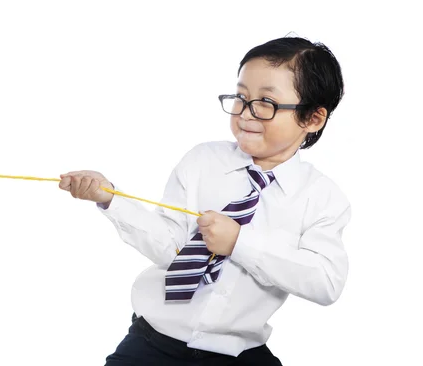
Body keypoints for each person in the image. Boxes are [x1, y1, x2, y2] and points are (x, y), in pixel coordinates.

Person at [59, 37, 351, 365]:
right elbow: (168, 246)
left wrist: (240, 243)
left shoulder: (322, 198)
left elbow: (326, 282)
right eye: (241, 97)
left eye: (266, 102)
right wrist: (109, 198)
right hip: (154, 341)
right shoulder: (203, 162)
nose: (245, 113)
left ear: (312, 118)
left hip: (238, 352)